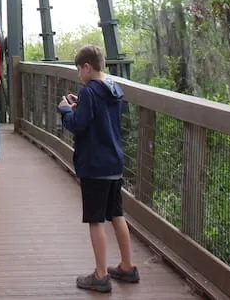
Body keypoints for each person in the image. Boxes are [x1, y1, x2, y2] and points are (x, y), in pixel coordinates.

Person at [58, 44, 139, 293]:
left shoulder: (90, 92)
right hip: (114, 161)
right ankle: (127, 266)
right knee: (116, 214)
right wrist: (78, 105)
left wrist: (64, 111)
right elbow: (99, 118)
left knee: (95, 220)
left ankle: (101, 275)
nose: (78, 75)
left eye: (79, 70)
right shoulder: (115, 89)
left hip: (94, 164)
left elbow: (80, 125)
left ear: (87, 67)